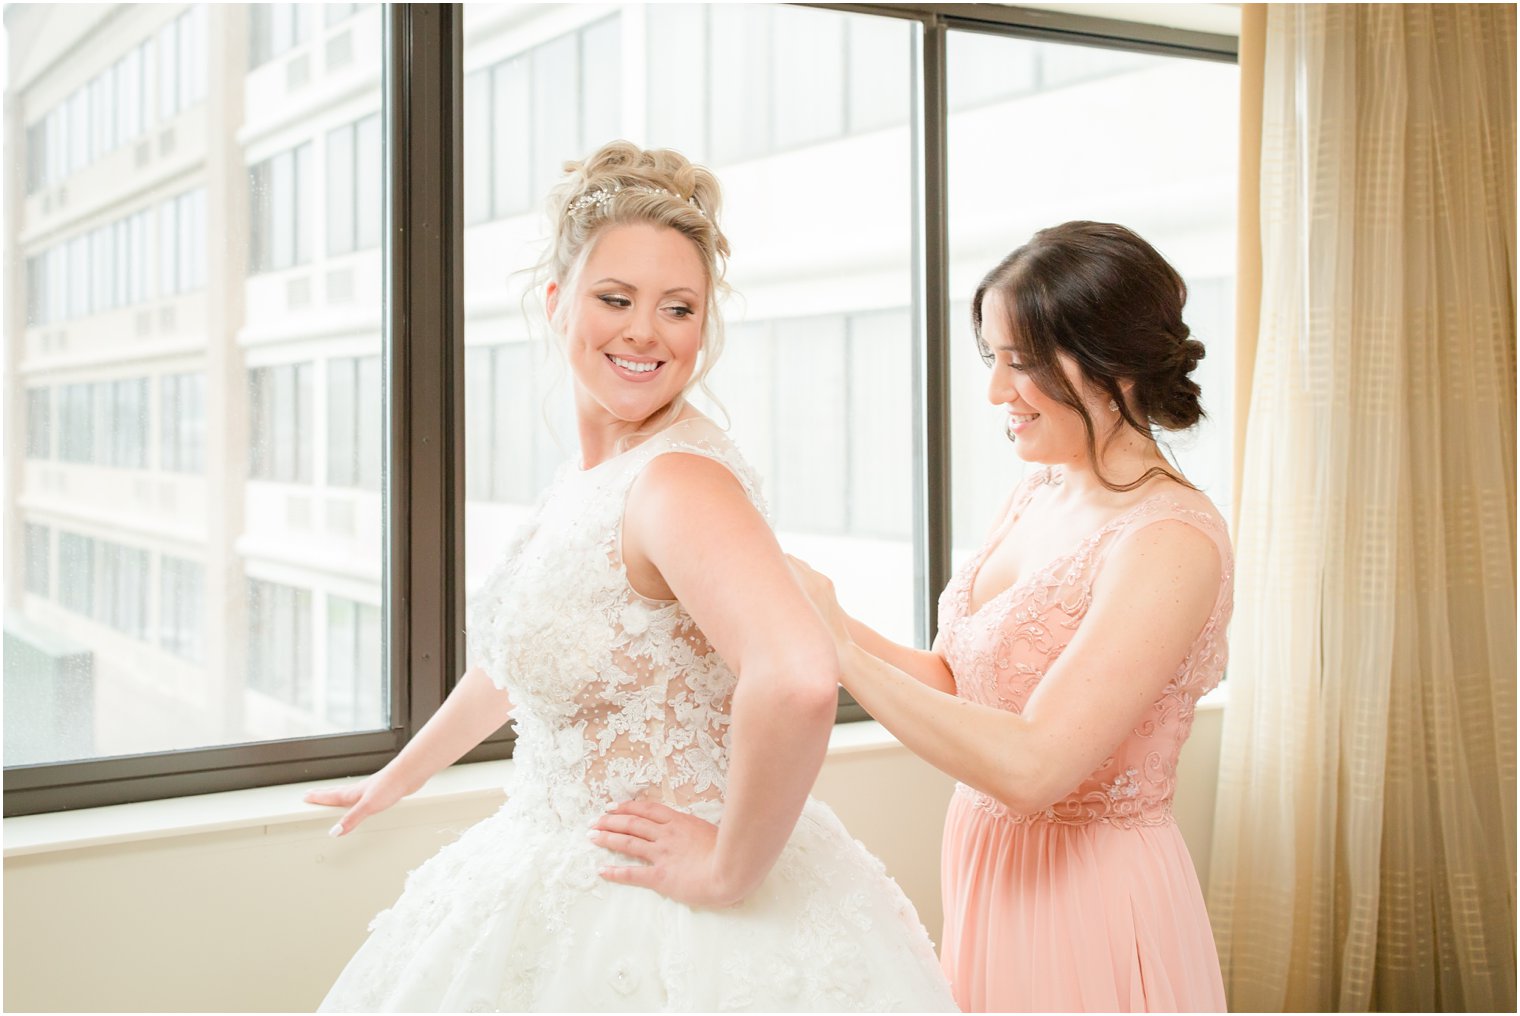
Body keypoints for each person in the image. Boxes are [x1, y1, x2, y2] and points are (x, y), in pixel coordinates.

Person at [306, 141, 957, 1013]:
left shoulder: (677, 481)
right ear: (555, 304)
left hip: (648, 901)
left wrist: (729, 867)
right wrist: (402, 774)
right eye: (616, 299)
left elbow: (799, 678)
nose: (646, 331)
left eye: (678, 308)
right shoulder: (594, 475)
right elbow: (530, 655)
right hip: (547, 853)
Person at [789, 221, 1231, 1012]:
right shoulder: (1041, 488)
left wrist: (842, 655)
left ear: (1114, 362)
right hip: (992, 873)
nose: (997, 392)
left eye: (1020, 363)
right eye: (992, 358)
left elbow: (1034, 768)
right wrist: (825, 613)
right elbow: (960, 683)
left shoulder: (1169, 542)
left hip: (1092, 900)